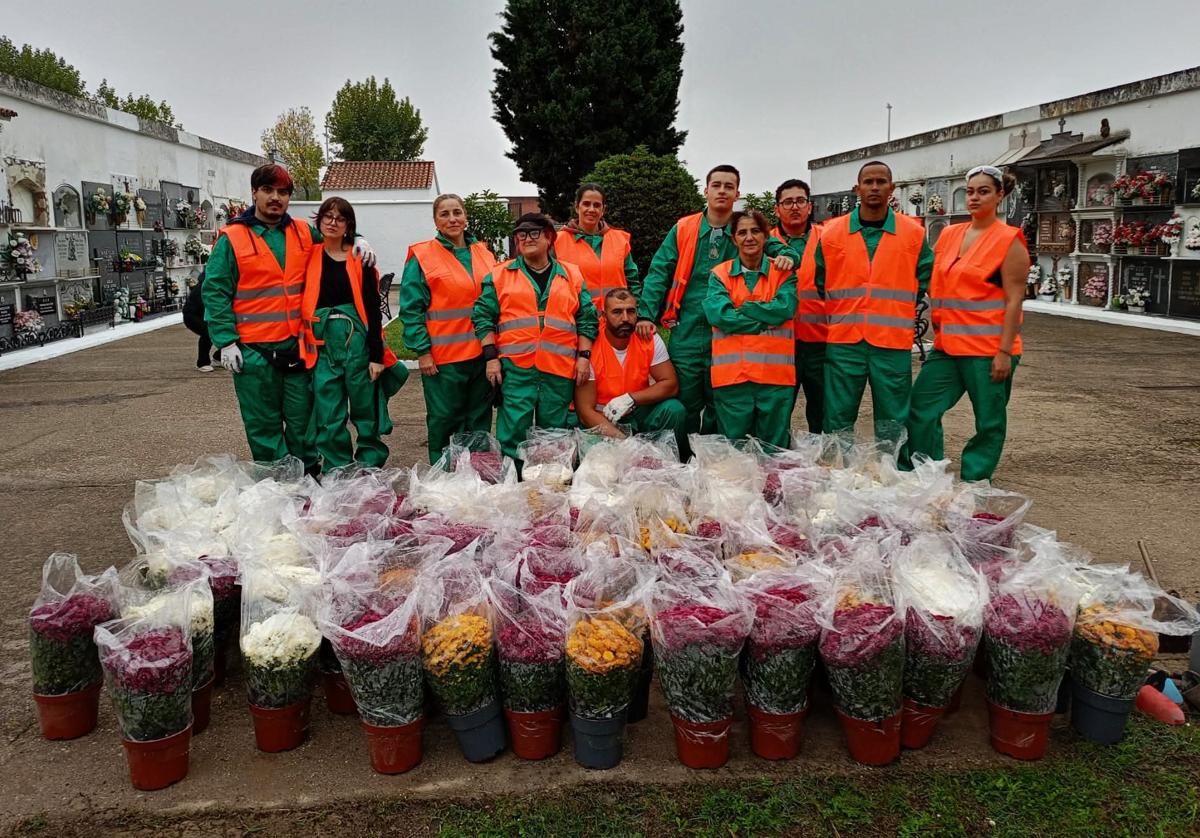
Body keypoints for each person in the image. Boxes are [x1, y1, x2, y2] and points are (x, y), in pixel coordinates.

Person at [203, 163, 375, 475]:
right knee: (264, 426)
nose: (275, 198)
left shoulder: (301, 232)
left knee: (303, 424)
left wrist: (359, 239)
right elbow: (215, 292)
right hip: (253, 352)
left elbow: (333, 238)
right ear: (255, 192)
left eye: (282, 192)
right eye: (268, 190)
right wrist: (225, 341)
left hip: (298, 348)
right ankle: (277, 487)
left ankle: (307, 479)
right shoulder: (232, 238)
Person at [637, 165, 796, 456]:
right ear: (706, 190)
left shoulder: (741, 227)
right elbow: (660, 270)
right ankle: (682, 459)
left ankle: (712, 461)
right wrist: (646, 313)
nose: (722, 191)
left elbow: (774, 245)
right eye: (717, 185)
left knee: (720, 403)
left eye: (729, 186)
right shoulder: (684, 228)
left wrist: (787, 255)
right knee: (684, 401)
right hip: (687, 329)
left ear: (737, 193)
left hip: (726, 336)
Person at [906, 166, 1029, 481]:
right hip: (947, 346)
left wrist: (1004, 352)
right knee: (921, 408)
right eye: (970, 191)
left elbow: (1014, 300)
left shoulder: (1009, 240)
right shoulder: (950, 234)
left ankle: (976, 480)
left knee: (988, 420)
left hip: (988, 350)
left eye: (984, 191)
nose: (975, 197)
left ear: (1000, 195)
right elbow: (932, 278)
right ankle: (927, 474)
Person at [813, 160, 933, 450]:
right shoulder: (831, 234)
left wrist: (896, 310)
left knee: (893, 417)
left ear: (891, 188)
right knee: (838, 415)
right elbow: (821, 280)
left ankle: (890, 474)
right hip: (845, 342)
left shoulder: (913, 233)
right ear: (857, 188)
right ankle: (837, 472)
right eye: (869, 182)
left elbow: (925, 277)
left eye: (881, 181)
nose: (875, 187)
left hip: (891, 343)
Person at [472, 212, 598, 461]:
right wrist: (490, 357)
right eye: (521, 234)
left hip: (559, 369)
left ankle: (550, 486)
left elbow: (587, 318)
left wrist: (584, 356)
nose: (527, 238)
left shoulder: (572, 275)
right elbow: (482, 316)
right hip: (517, 369)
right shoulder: (499, 275)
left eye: (533, 233)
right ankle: (515, 483)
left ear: (549, 238)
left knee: (554, 435)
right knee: (512, 433)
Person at [298, 197, 407, 471]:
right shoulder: (308, 256)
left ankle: (370, 465)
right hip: (321, 342)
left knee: (365, 408)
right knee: (328, 411)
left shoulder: (362, 258)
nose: (333, 222)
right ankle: (338, 469)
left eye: (340, 218)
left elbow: (372, 308)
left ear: (349, 225)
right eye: (328, 217)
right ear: (319, 220)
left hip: (356, 340)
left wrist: (376, 355)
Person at [399, 193, 497, 463]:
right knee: (445, 419)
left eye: (457, 212)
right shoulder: (422, 256)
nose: (452, 219)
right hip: (444, 359)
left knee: (479, 418)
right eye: (445, 214)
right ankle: (443, 476)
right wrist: (422, 351)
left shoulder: (484, 253)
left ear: (465, 217)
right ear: (435, 221)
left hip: (482, 356)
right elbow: (411, 309)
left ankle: (477, 472)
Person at [703, 210, 798, 448]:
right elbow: (720, 316)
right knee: (734, 455)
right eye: (742, 232)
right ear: (733, 239)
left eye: (755, 231)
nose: (749, 237)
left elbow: (785, 309)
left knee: (774, 454)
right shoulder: (719, 275)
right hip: (733, 380)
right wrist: (765, 316)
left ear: (766, 236)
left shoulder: (783, 272)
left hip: (775, 380)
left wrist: (744, 308)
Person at [574, 288, 685, 449]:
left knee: (674, 409)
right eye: (617, 312)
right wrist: (623, 441)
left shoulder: (648, 338)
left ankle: (670, 460)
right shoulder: (591, 345)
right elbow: (585, 411)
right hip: (603, 418)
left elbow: (670, 384)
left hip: (637, 411)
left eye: (631, 311)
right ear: (604, 316)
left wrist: (631, 399)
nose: (625, 318)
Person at [770, 179, 826, 434]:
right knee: (777, 409)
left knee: (822, 409)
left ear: (809, 206)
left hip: (821, 342)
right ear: (777, 209)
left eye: (800, 201)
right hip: (779, 343)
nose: (795, 207)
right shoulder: (761, 242)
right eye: (788, 202)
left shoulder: (827, 239)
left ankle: (822, 465)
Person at [553, 183, 640, 308]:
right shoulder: (558, 241)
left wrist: (637, 312)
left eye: (597, 205)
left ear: (603, 210)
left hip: (617, 322)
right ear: (577, 207)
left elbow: (632, 281)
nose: (592, 209)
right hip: (578, 321)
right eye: (586, 204)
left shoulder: (620, 240)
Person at [182, 268, 217, 372]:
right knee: (207, 333)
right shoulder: (204, 286)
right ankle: (202, 362)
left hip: (203, 314)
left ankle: (218, 357)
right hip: (192, 315)